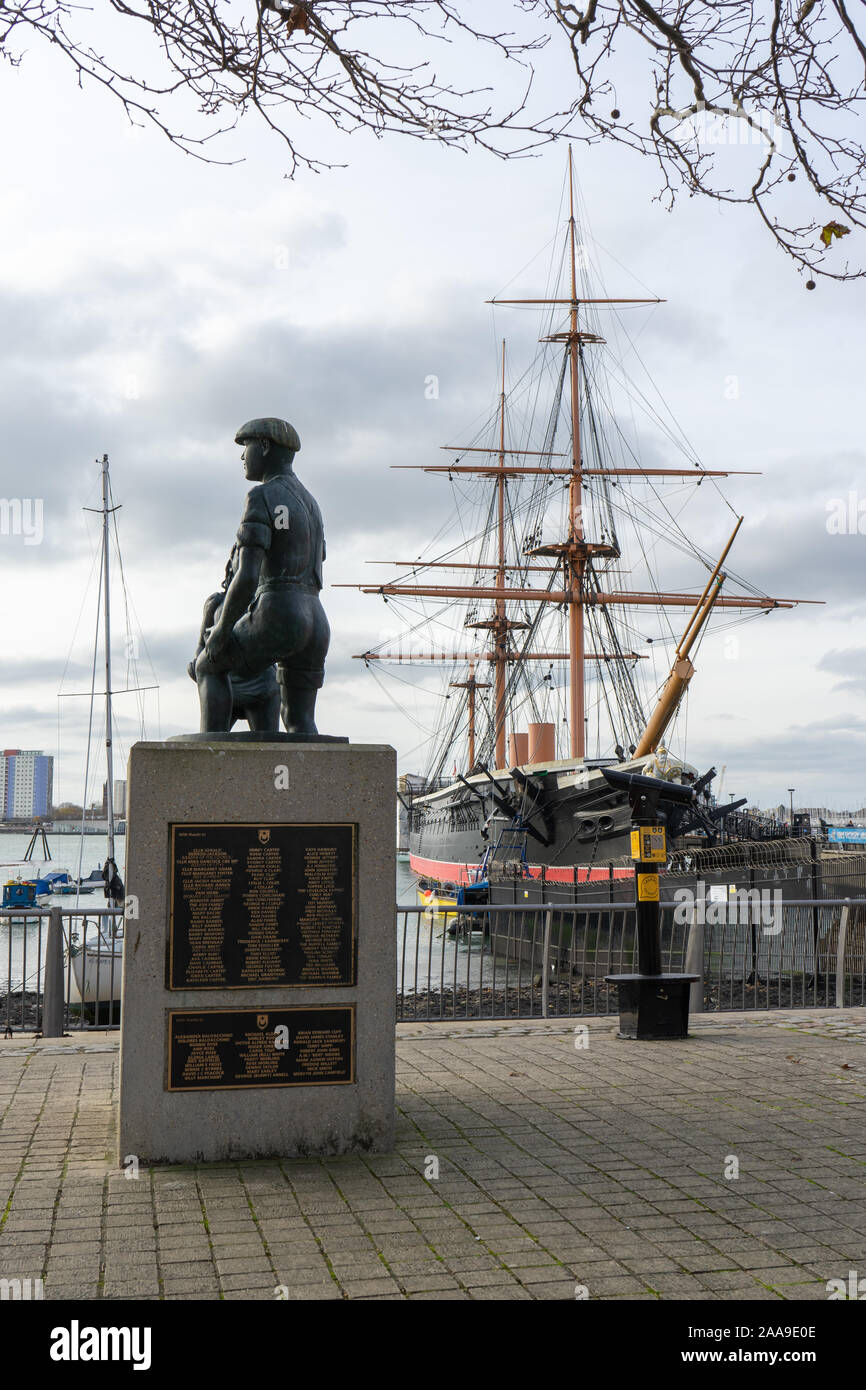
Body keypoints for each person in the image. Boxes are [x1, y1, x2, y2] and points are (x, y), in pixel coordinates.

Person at [194, 417, 330, 733]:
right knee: (300, 722)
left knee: (209, 665)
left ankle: (210, 758)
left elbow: (246, 577)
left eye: (247, 447)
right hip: (316, 621)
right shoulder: (312, 503)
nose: (243, 457)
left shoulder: (261, 496)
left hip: (279, 613)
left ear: (265, 447)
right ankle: (309, 780)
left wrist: (221, 631)